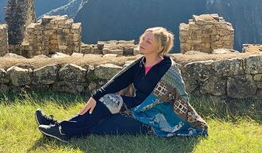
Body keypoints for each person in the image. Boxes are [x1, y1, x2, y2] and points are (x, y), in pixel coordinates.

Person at [36, 27, 208, 142]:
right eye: (143, 38)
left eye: (148, 42)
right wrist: (95, 96)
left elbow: (181, 99)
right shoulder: (141, 63)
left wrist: (188, 122)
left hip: (151, 118)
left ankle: (60, 128)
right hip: (135, 107)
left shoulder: (169, 71)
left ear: (159, 48)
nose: (142, 42)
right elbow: (119, 80)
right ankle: (61, 129)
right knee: (104, 104)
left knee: (102, 125)